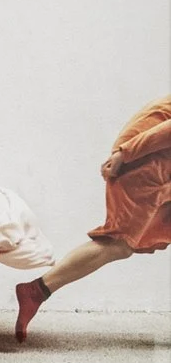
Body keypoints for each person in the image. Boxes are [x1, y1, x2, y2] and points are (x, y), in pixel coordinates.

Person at [15, 96, 171, 339]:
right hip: (145, 165)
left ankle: (37, 290)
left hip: (152, 163)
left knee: (119, 245)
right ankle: (36, 290)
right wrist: (125, 154)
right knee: (118, 244)